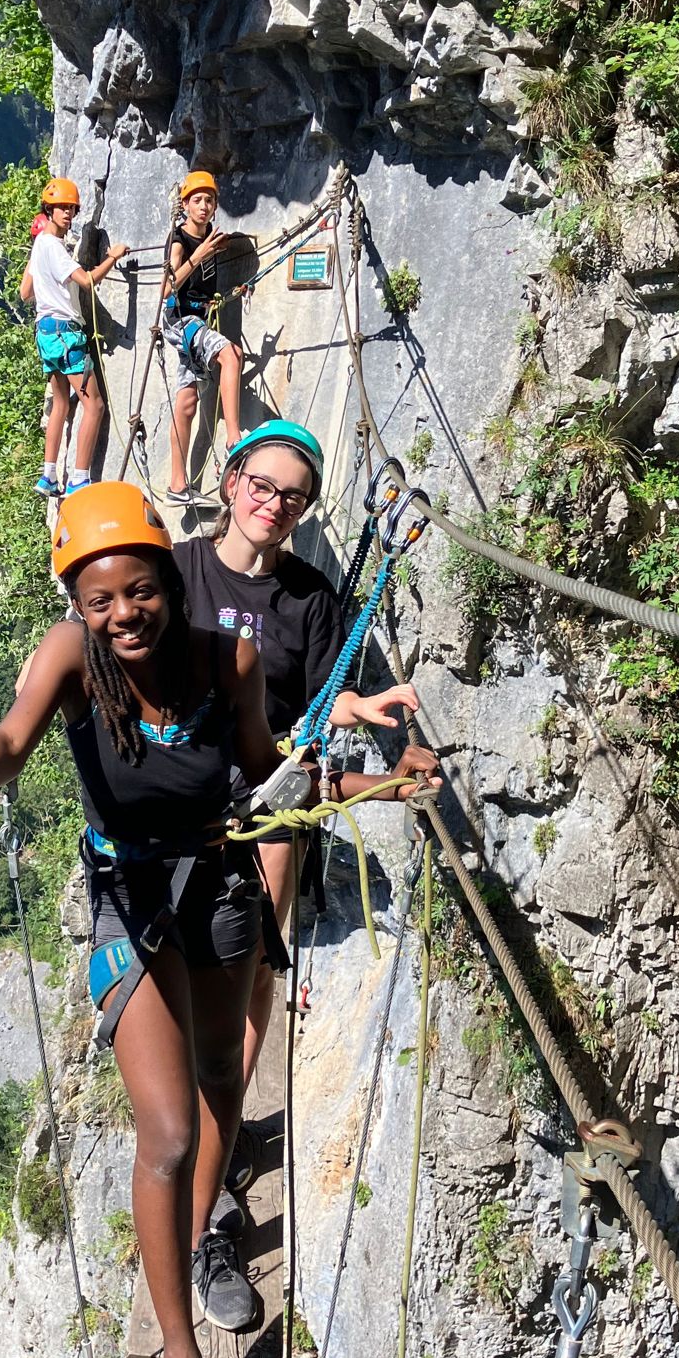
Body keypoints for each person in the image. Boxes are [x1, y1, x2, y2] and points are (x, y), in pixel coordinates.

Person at [0, 483, 436, 1358]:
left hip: (221, 879)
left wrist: (379, 782)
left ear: (168, 582)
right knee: (174, 1127)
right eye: (100, 598)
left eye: (140, 590)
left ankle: (202, 1234)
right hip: (129, 893)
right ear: (78, 603)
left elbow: (267, 773)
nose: (123, 614)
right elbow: (12, 740)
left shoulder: (227, 656)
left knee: (226, 1083)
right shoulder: (73, 659)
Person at [174, 420, 425, 1202]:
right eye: (263, 487)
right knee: (186, 973)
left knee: (253, 973)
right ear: (231, 483)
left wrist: (368, 707)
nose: (275, 505)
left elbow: (324, 696)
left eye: (294, 496)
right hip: (182, 789)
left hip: (270, 788)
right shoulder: (177, 571)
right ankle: (190, 1128)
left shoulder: (311, 598)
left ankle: (217, 1146)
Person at [26, 177, 129, 499]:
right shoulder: (54, 248)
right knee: (94, 405)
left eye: (71, 208)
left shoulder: (39, 245)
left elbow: (25, 292)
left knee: (60, 404)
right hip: (66, 335)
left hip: (45, 333)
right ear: (49, 209)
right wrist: (113, 257)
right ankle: (79, 480)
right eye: (61, 208)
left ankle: (48, 476)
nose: (68, 214)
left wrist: (47, 285)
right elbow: (86, 281)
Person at [162, 169, 244, 504]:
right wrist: (199, 255)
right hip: (180, 321)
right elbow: (168, 287)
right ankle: (233, 438)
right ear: (185, 204)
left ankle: (177, 486)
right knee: (231, 354)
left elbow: (200, 284)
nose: (204, 206)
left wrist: (216, 296)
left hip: (196, 315)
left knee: (186, 403)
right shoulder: (180, 240)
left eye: (209, 200)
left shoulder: (211, 234)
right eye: (197, 200)